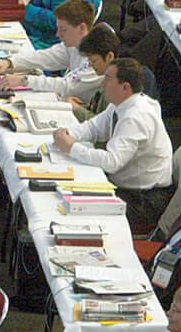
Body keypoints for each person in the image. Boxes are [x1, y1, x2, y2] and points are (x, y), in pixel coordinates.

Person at [53, 57, 174, 230]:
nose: (102, 83)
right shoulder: (121, 104)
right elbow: (93, 128)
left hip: (142, 199)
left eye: (108, 79)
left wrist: (71, 148)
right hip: (127, 186)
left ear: (125, 87)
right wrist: (67, 134)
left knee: (72, 209)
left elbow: (112, 162)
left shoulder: (136, 116)